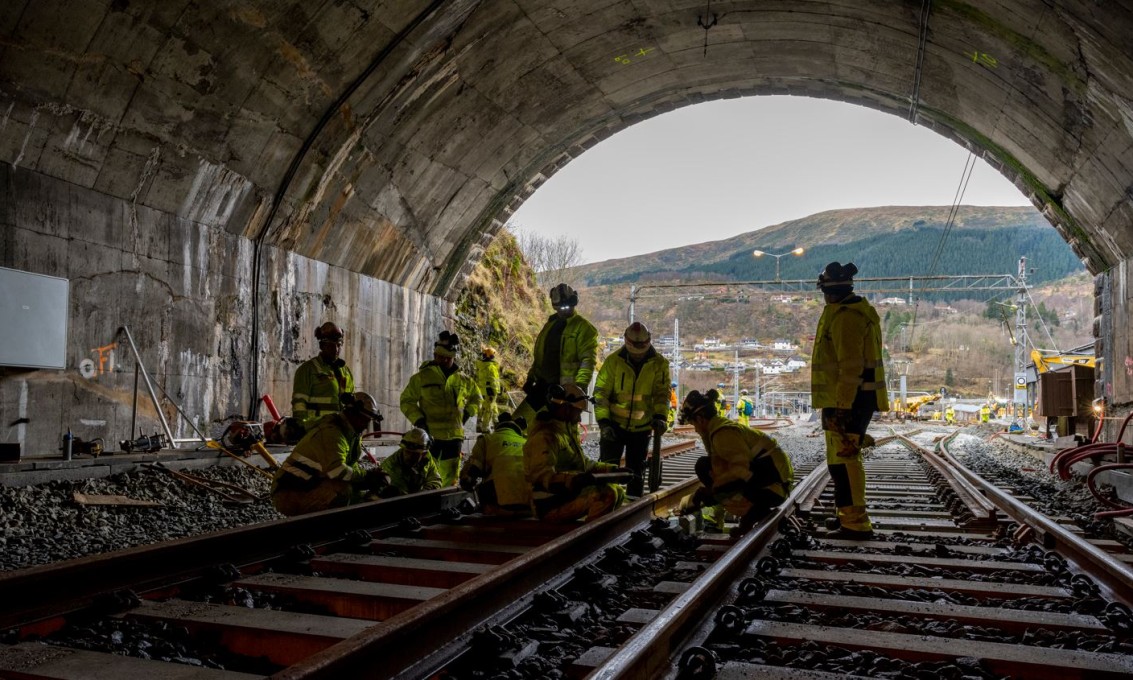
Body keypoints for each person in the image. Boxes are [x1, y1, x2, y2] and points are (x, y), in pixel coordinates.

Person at [811, 262, 889, 540]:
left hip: (849, 401)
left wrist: (843, 408)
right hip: (844, 399)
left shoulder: (847, 317)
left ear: (829, 291)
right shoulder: (845, 312)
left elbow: (850, 367)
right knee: (839, 461)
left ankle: (856, 524)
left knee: (845, 461)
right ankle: (846, 516)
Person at [679, 390, 793, 537]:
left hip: (772, 489)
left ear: (700, 419)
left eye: (692, 422)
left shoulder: (723, 434)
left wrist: (710, 493)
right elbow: (721, 469)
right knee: (708, 469)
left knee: (704, 468)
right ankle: (753, 513)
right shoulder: (718, 429)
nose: (694, 428)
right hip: (770, 482)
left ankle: (751, 514)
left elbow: (740, 471)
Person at [271, 392, 388, 516]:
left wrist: (365, 485)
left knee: (353, 491)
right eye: (365, 420)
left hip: (307, 485)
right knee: (342, 489)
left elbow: (349, 467)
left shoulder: (350, 434)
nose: (366, 425)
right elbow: (337, 471)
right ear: (353, 413)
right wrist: (366, 477)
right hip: (288, 492)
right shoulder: (332, 433)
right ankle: (322, 530)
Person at [525, 384, 627, 522]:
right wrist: (573, 480)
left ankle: (598, 536)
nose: (579, 419)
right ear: (566, 408)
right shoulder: (545, 435)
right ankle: (590, 539)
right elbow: (540, 475)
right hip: (548, 502)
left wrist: (613, 470)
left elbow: (584, 464)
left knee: (618, 491)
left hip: (565, 496)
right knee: (605, 494)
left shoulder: (565, 433)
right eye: (578, 412)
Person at [593, 322, 671, 497]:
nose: (638, 356)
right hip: (614, 426)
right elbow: (601, 394)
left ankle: (633, 505)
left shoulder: (659, 364)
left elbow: (661, 394)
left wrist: (660, 417)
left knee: (636, 472)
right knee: (608, 469)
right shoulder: (613, 362)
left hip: (642, 429)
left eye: (641, 352)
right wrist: (604, 423)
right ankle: (604, 503)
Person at [400, 331, 481, 487]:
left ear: (453, 357)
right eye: (440, 357)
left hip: (454, 437)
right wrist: (419, 421)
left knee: (451, 475)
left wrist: (467, 414)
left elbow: (477, 398)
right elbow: (406, 401)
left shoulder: (463, 379)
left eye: (448, 358)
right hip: (431, 436)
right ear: (435, 355)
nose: (443, 360)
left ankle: (446, 501)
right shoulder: (422, 377)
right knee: (427, 473)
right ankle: (427, 501)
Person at [515, 283, 599, 428]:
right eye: (559, 308)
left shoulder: (584, 328)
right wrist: (531, 378)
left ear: (574, 303)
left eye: (567, 307)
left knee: (562, 432)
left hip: (565, 393)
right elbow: (541, 357)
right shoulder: (550, 325)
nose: (563, 311)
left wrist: (577, 389)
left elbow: (587, 361)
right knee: (518, 423)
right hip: (542, 387)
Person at [460, 412, 530, 515]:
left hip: (497, 500)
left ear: (498, 426)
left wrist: (467, 482)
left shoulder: (487, 440)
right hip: (528, 502)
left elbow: (472, 471)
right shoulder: (526, 443)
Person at [291, 322, 355, 433]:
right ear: (322, 346)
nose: (336, 349)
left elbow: (351, 405)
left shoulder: (345, 372)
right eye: (331, 345)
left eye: (339, 345)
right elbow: (299, 406)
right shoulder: (307, 370)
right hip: (317, 431)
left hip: (340, 432)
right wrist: (302, 429)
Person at [380, 428, 443, 496]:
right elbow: (402, 497)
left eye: (414, 454)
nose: (409, 456)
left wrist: (426, 491)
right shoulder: (391, 467)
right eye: (407, 452)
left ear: (424, 454)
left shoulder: (426, 457)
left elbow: (435, 480)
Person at [475, 346, 502, 434]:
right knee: (489, 409)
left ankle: (484, 424)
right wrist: (496, 391)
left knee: (485, 407)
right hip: (490, 392)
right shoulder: (491, 367)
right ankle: (485, 427)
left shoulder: (481, 366)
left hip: (483, 391)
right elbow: (493, 380)